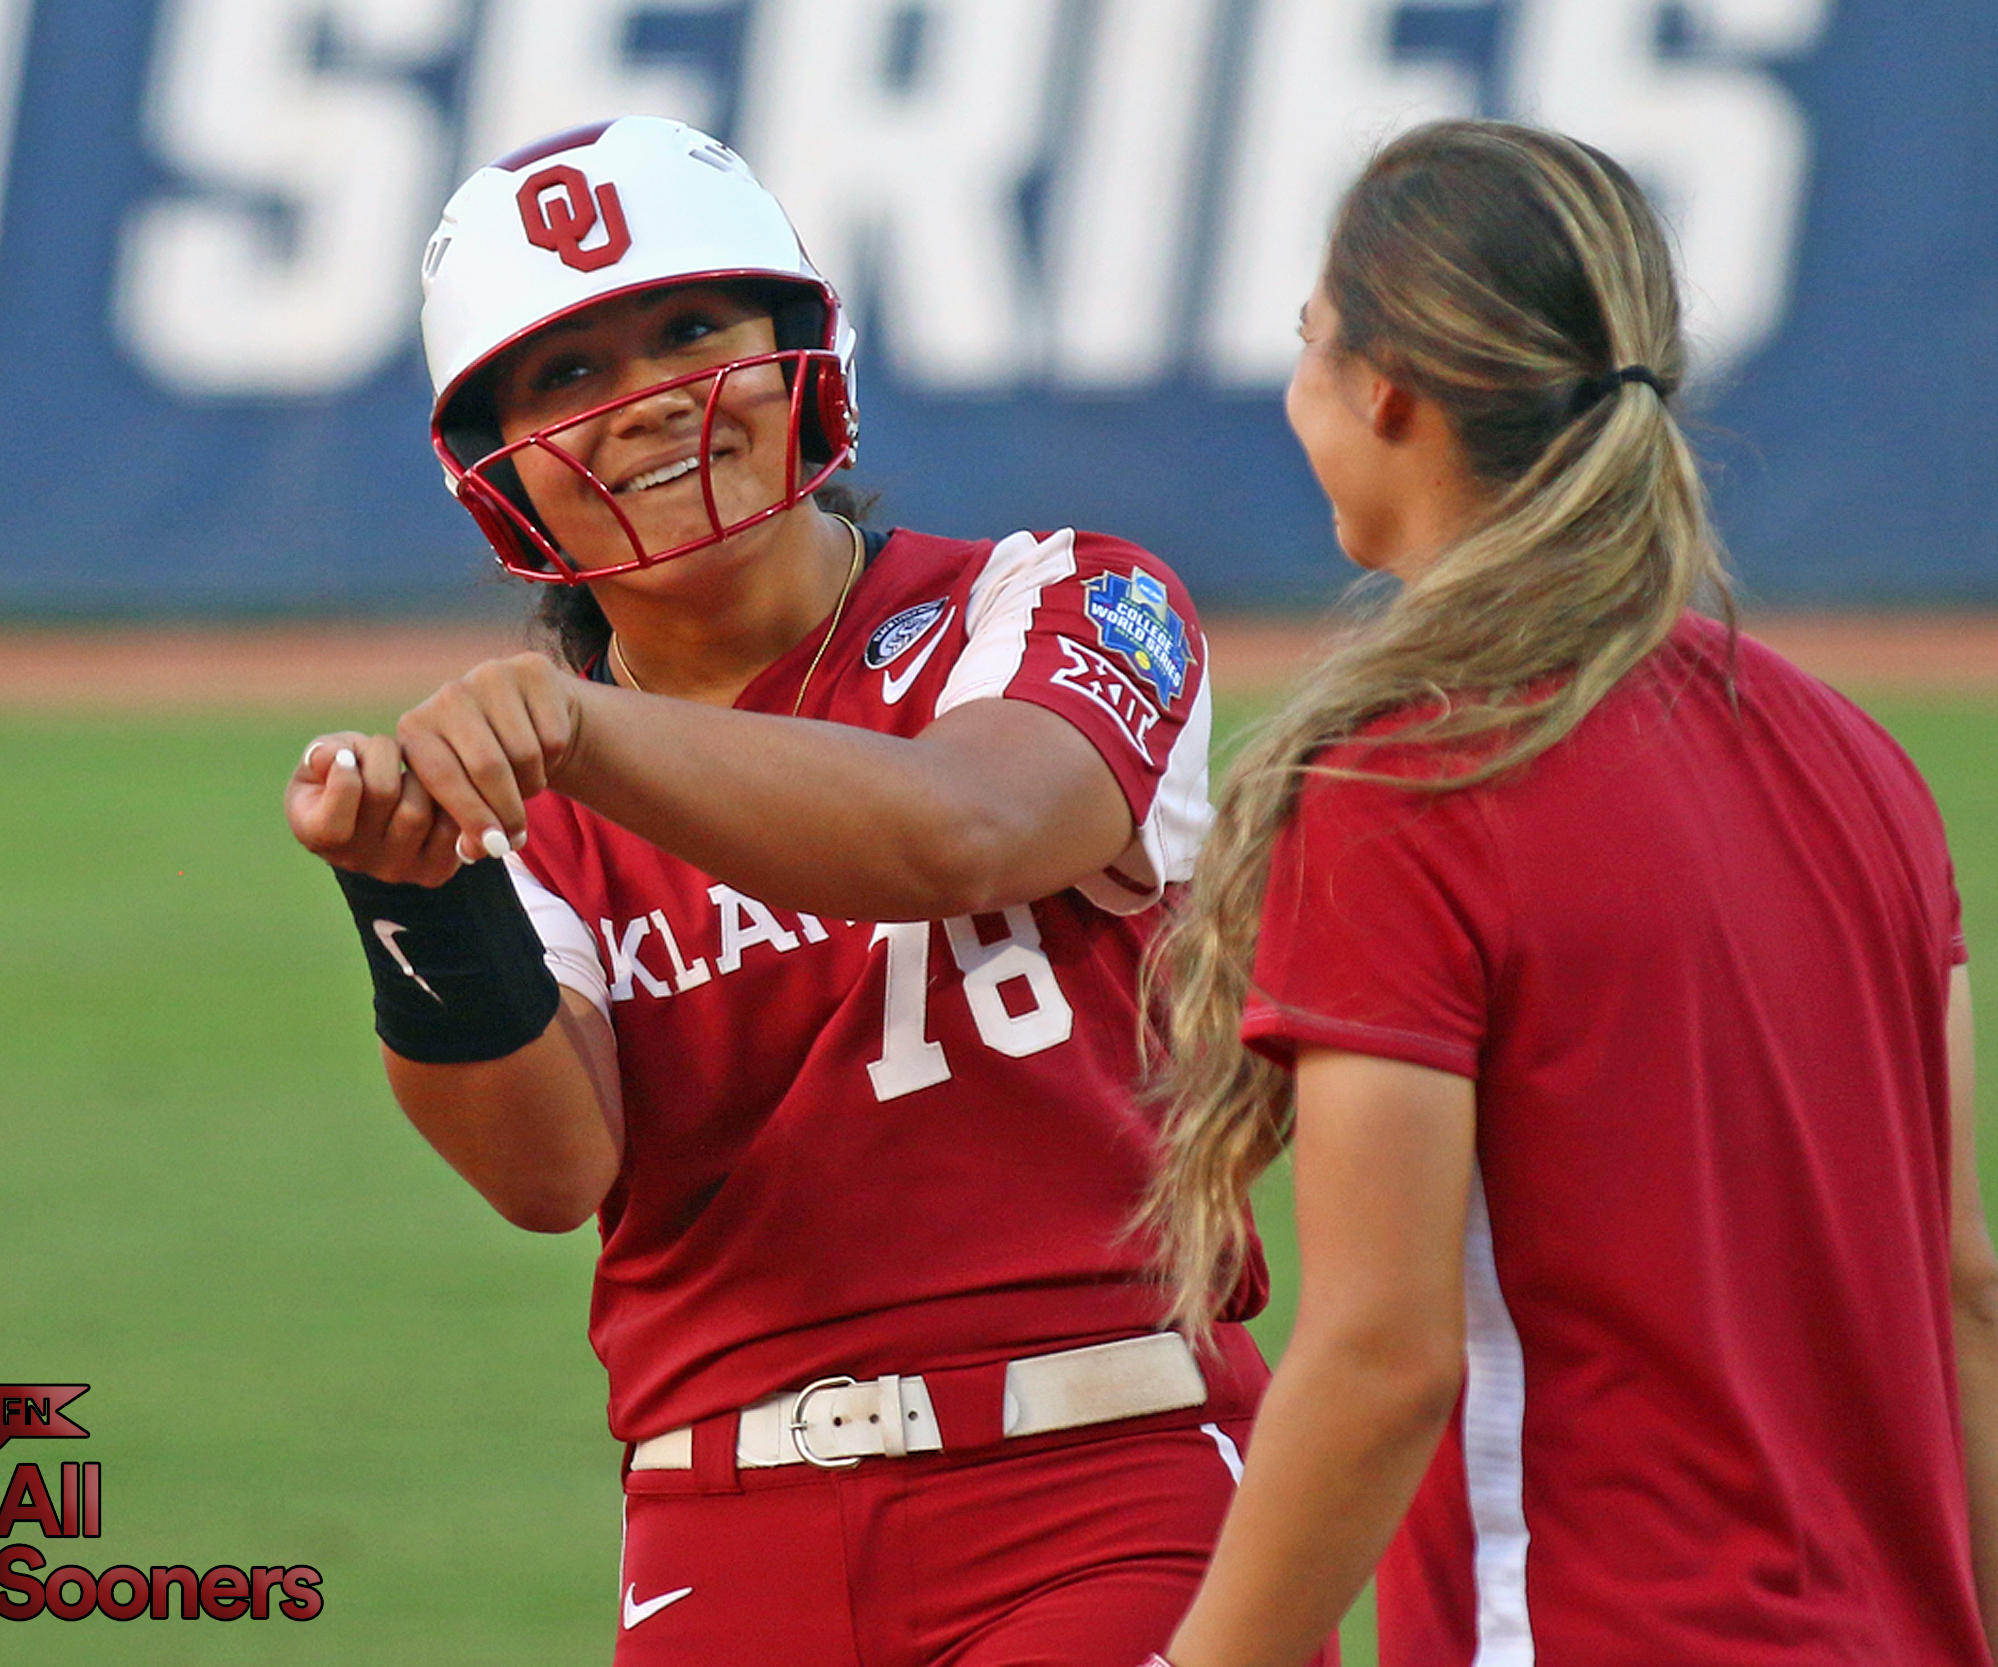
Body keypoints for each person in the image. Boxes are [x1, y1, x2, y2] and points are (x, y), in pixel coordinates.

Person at [282, 116, 1294, 1667]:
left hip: (1109, 1477)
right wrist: (415, 898)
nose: (650, 404)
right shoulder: (539, 790)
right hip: (722, 1530)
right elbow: (549, 1172)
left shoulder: (1062, 597)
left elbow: (962, 830)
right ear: (500, 475)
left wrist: (581, 728)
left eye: (691, 329)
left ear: (799, 354)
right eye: (567, 376)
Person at [1139, 121, 1998, 1667]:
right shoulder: (1859, 767)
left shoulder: (1404, 786)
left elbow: (1380, 1358)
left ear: (1391, 392)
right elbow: (1962, 1297)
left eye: (1310, 348)